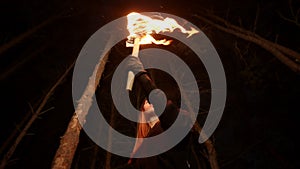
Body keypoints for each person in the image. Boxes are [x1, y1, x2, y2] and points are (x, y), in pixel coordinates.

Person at [126, 55, 197, 169]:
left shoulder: (178, 125)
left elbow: (166, 110)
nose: (149, 101)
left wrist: (141, 75)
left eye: (151, 100)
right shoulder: (142, 148)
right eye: (147, 101)